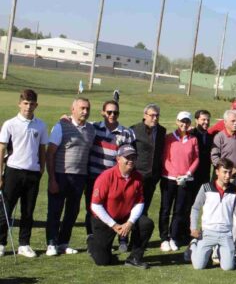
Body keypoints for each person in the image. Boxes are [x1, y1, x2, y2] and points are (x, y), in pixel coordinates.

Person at [88, 145, 155, 269]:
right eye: (127, 157)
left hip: (125, 217)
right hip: (105, 219)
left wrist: (130, 222)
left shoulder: (138, 177)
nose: (131, 160)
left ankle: (134, 258)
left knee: (146, 223)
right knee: (103, 260)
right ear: (118, 159)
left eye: (133, 157)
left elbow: (139, 202)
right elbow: (95, 205)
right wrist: (113, 225)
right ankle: (92, 242)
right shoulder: (106, 176)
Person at [0, 89, 48, 258]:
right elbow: (2, 149)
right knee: (5, 209)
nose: (28, 107)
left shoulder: (41, 125)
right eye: (25, 103)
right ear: (19, 104)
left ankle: (24, 244)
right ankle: (1, 243)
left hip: (33, 173)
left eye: (32, 104)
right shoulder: (10, 124)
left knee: (28, 211)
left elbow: (42, 149)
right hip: (13, 171)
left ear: (36, 105)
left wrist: (42, 168)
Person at [45, 97, 95, 256]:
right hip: (61, 174)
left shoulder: (91, 129)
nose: (85, 111)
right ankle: (51, 243)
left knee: (72, 212)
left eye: (87, 108)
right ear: (73, 109)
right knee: (55, 210)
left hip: (80, 176)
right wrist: (52, 179)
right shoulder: (61, 126)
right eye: (82, 108)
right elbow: (50, 153)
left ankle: (63, 242)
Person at [84, 100, 136, 252]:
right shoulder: (93, 127)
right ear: (103, 113)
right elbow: (77, 122)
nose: (112, 115)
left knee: (121, 209)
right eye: (109, 112)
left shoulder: (126, 133)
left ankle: (122, 239)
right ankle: (93, 238)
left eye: (115, 112)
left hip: (116, 179)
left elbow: (130, 156)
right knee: (93, 210)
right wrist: (65, 117)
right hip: (94, 176)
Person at [189, 158, 236, 271]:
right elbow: (195, 208)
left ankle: (219, 251)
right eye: (225, 172)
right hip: (207, 232)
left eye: (230, 172)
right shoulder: (206, 187)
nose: (227, 176)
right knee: (198, 266)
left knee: (228, 267)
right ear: (217, 172)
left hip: (226, 234)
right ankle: (194, 245)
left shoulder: (234, 190)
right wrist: (193, 228)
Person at [159, 111, 199, 252]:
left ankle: (173, 237)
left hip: (185, 180)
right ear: (177, 122)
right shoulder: (169, 138)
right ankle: (164, 238)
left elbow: (196, 158)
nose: (184, 124)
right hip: (169, 179)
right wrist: (176, 175)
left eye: (187, 122)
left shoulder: (193, 139)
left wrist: (187, 174)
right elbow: (165, 158)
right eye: (182, 121)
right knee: (165, 209)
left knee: (179, 210)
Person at [131, 104, 166, 215]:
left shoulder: (162, 131)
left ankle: (141, 226)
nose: (155, 118)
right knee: (131, 207)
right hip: (136, 175)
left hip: (152, 178)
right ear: (145, 115)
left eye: (157, 116)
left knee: (144, 209)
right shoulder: (134, 130)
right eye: (152, 115)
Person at [191, 110, 213, 190]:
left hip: (205, 175)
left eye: (208, 120)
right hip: (192, 174)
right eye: (203, 119)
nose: (206, 122)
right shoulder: (191, 134)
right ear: (196, 120)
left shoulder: (210, 137)